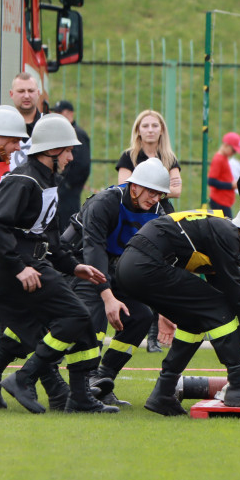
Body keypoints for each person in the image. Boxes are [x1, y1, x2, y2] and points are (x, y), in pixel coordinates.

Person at [0, 114, 116, 414]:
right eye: (67, 150)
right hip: (17, 267)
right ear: (51, 150)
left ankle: (77, 398)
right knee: (75, 315)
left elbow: (51, 240)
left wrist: (73, 267)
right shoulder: (23, 179)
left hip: (34, 263)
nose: (71, 157)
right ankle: (23, 378)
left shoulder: (47, 181)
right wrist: (20, 267)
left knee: (79, 321)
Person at [113, 201, 240, 416]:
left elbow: (230, 297)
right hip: (144, 267)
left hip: (131, 269)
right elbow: (237, 296)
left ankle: (164, 393)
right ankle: (239, 384)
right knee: (217, 307)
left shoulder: (219, 233)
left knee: (194, 321)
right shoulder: (226, 235)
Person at [62, 159, 172, 406]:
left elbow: (165, 257)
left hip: (116, 267)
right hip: (79, 264)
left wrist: (164, 310)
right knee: (95, 316)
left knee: (141, 316)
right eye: (151, 191)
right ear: (134, 187)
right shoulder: (104, 202)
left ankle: (103, 379)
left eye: (160, 194)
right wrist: (108, 296)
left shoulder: (161, 211)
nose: (155, 198)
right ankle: (84, 383)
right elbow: (93, 250)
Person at [116, 109, 181, 201]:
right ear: (138, 130)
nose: (150, 130)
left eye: (155, 126)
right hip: (137, 213)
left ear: (161, 129)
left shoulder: (169, 158)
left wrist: (141, 188)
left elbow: (177, 191)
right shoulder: (128, 156)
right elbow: (126, 189)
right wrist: (162, 189)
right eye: (145, 126)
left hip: (164, 212)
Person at [51, 100, 91, 227]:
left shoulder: (77, 134)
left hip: (69, 193)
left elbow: (83, 165)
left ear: (69, 114)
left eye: (59, 113)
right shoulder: (62, 133)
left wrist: (66, 184)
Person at [8, 72, 44, 169]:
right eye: (21, 91)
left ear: (38, 93)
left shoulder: (49, 126)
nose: (27, 96)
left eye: (31, 91)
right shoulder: (1, 126)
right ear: (11, 94)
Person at [208, 131, 240, 217]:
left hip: (224, 202)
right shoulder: (218, 159)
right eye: (233, 150)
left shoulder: (224, 158)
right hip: (219, 202)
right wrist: (231, 185)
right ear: (226, 145)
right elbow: (211, 181)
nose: (234, 153)